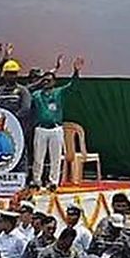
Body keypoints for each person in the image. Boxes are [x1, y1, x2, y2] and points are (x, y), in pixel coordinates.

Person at [30, 58, 78, 189]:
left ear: (54, 82)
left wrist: (76, 72)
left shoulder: (58, 92)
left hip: (56, 129)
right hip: (41, 129)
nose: (46, 82)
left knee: (55, 158)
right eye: (44, 80)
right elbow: (27, 88)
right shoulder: (36, 95)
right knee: (38, 158)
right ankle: (37, 181)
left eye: (49, 80)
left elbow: (72, 86)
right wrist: (40, 81)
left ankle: (53, 182)